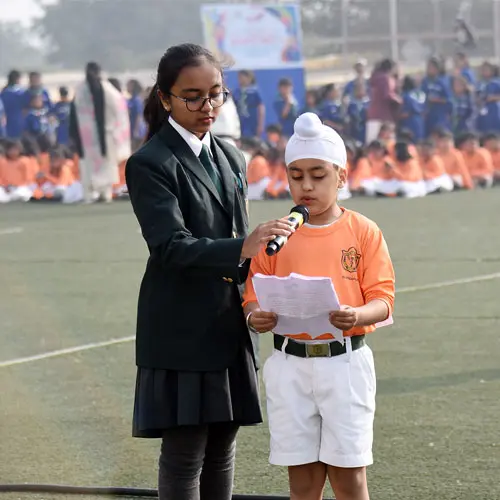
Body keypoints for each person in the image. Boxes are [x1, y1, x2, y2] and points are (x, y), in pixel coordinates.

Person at [125, 43, 294, 500]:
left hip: (229, 322)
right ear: (165, 98)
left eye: (216, 94)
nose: (207, 106)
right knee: (186, 455)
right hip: (181, 327)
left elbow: (239, 240)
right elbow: (169, 247)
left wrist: (263, 289)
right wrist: (244, 245)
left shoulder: (231, 157)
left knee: (222, 449)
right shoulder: (150, 163)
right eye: (192, 96)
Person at [243, 112, 395, 500]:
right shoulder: (275, 235)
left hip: (345, 363)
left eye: (318, 175)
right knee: (303, 480)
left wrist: (356, 315)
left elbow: (383, 300)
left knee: (348, 477)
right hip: (289, 364)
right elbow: (253, 294)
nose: (306, 185)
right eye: (296, 176)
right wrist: (255, 315)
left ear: (341, 176)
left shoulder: (363, 231)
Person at [69, 62, 131, 203]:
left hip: (105, 134)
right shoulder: (80, 91)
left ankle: (105, 193)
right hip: (85, 137)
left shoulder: (108, 90)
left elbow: (119, 110)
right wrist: (73, 134)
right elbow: (73, 114)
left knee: (106, 164)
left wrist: (115, 131)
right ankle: (89, 194)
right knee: (87, 166)